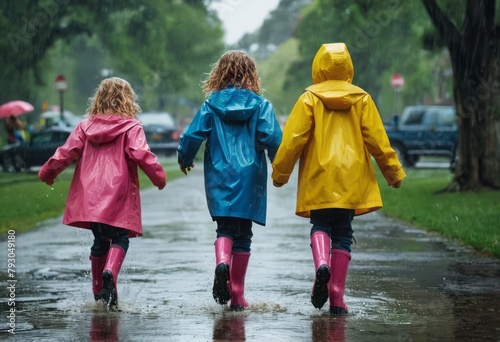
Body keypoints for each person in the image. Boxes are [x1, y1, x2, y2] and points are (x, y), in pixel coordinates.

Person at [271, 43, 406, 316]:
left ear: (317, 67)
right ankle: (337, 296)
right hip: (351, 177)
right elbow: (378, 141)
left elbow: (292, 141)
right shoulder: (362, 99)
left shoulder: (308, 99)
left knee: (320, 223)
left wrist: (280, 173)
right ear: (348, 67)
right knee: (343, 232)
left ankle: (322, 263)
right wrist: (392, 172)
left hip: (319, 177)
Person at [38, 77, 167, 308]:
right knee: (119, 238)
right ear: (127, 99)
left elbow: (66, 152)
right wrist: (158, 177)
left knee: (99, 240)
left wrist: (48, 173)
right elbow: (141, 153)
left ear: (99, 98)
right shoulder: (131, 127)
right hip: (119, 193)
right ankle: (110, 271)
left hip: (91, 195)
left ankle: (98, 291)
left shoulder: (84, 127)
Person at [177, 50, 282, 311]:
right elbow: (274, 138)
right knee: (244, 234)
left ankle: (221, 261)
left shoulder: (211, 105)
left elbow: (192, 136)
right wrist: (277, 163)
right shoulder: (261, 106)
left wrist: (184, 158)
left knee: (224, 228)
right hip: (250, 177)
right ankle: (237, 296)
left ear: (220, 73)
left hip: (220, 174)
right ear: (251, 75)